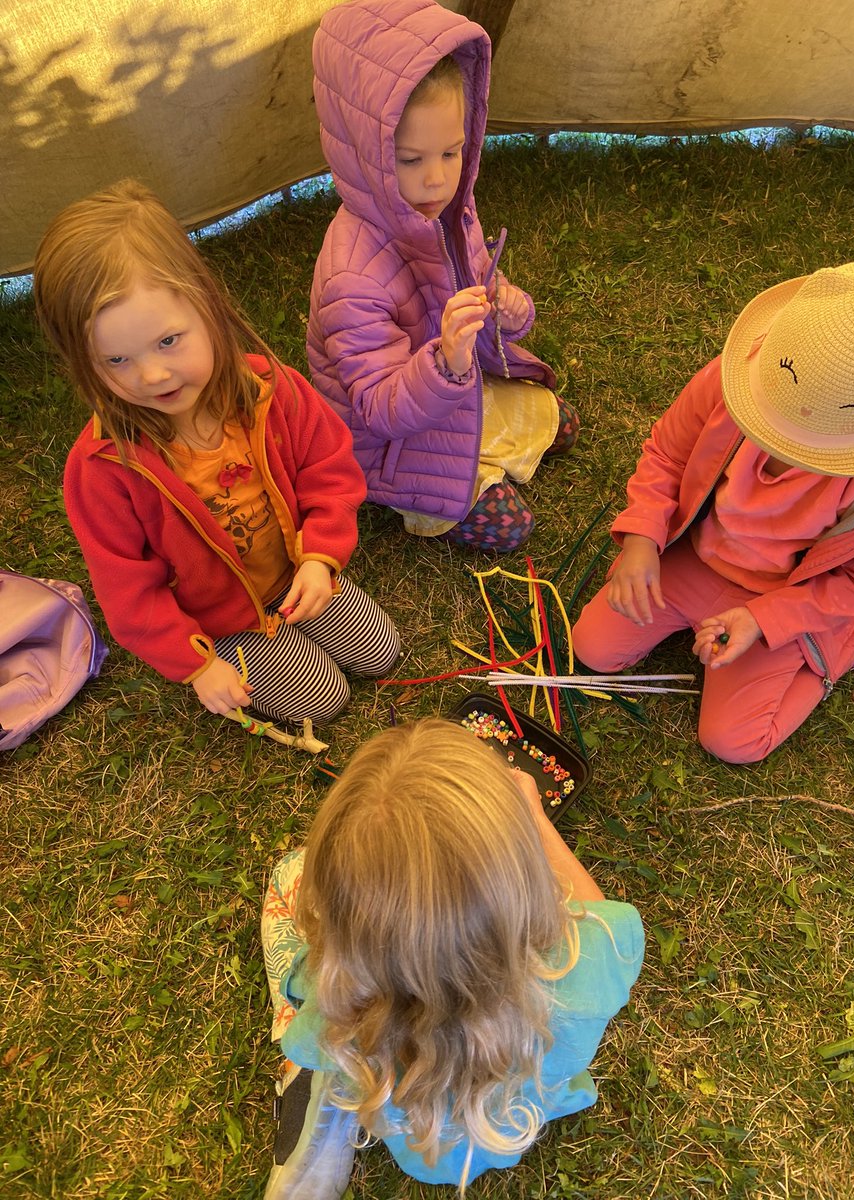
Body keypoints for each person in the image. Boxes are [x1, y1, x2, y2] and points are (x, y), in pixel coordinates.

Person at [33, 180, 400, 728]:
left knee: (384, 652)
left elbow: (329, 471)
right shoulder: (102, 470)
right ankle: (241, 648)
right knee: (323, 702)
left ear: (205, 305)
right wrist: (196, 664)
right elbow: (130, 594)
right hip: (221, 622)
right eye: (116, 360)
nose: (152, 375)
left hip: (298, 575)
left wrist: (322, 556)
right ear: (83, 362)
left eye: (167, 341)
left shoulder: (268, 388)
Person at [260, 719, 644, 1197]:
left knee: (288, 873)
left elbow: (312, 1010)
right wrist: (536, 820)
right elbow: (600, 912)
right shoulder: (594, 958)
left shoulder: (333, 1015)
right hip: (506, 1129)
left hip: (421, 1147)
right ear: (522, 877)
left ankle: (315, 1092)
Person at [572, 260, 854, 765]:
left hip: (787, 598)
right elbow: (666, 454)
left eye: (810, 450)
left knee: (732, 743)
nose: (775, 444)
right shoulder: (738, 379)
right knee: (592, 649)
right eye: (767, 421)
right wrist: (642, 538)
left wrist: (762, 618)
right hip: (696, 561)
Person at [306, 0, 580, 553]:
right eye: (409, 161)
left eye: (451, 152)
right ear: (367, 154)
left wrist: (509, 306)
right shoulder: (352, 276)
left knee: (561, 422)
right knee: (509, 528)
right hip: (391, 439)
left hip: (454, 392)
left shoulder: (448, 212)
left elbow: (481, 280)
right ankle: (415, 499)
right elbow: (380, 407)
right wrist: (450, 362)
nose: (436, 179)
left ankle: (489, 440)